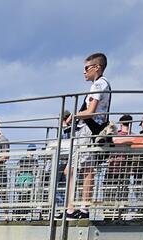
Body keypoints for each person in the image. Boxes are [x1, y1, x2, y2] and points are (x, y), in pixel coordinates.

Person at [64, 52, 111, 220]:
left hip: (88, 131)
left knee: (78, 169)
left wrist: (75, 116)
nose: (84, 72)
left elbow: (91, 112)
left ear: (96, 67)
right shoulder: (102, 84)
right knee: (81, 169)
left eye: (86, 68)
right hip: (91, 130)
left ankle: (75, 208)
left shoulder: (98, 85)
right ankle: (79, 208)